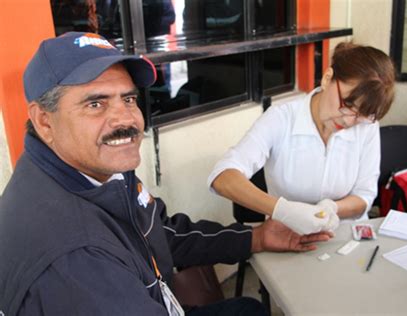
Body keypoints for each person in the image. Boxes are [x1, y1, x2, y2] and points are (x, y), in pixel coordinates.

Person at [0, 32, 333, 316]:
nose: (125, 120)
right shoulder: (74, 259)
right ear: (45, 121)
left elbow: (158, 232)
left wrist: (255, 238)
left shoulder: (100, 170)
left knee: (248, 309)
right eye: (95, 104)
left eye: (128, 99)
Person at [208, 42, 396, 235]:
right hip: (285, 236)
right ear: (327, 78)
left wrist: (332, 207)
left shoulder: (366, 127)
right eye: (347, 104)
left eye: (362, 114)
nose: (349, 121)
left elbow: (364, 195)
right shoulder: (281, 118)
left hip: (344, 234)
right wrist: (283, 210)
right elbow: (222, 177)